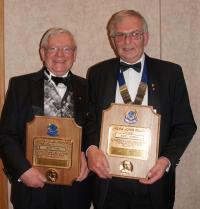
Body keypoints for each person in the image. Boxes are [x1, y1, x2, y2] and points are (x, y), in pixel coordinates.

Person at [85, 10, 197, 209]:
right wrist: (91, 149)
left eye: (134, 34)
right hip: (108, 182)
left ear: (146, 37)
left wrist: (166, 160)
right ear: (113, 40)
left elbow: (185, 125)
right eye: (120, 35)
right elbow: (88, 119)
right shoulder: (97, 73)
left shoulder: (171, 73)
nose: (127, 41)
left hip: (154, 179)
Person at [0, 28, 91, 209]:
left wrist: (88, 155)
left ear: (75, 55)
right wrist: (23, 171)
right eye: (53, 49)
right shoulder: (20, 86)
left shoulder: (88, 87)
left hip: (76, 191)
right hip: (32, 190)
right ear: (42, 53)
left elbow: (93, 131)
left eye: (67, 49)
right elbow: (6, 135)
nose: (60, 55)